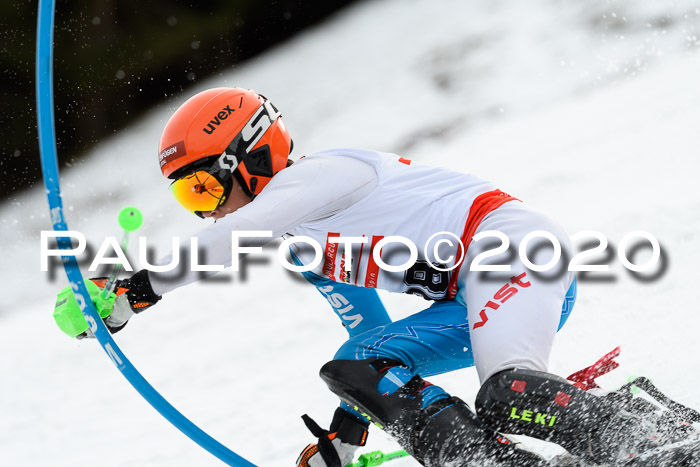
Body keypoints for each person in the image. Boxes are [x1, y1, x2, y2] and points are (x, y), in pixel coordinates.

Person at [60, 87, 698, 466]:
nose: (209, 207)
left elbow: (227, 239)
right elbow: (368, 338)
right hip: (470, 298)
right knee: (351, 366)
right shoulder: (299, 238)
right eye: (188, 199)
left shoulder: (315, 178)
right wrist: (349, 432)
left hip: (512, 251)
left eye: (205, 187)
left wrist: (129, 295)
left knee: (504, 394)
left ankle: (648, 442)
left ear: (249, 154)